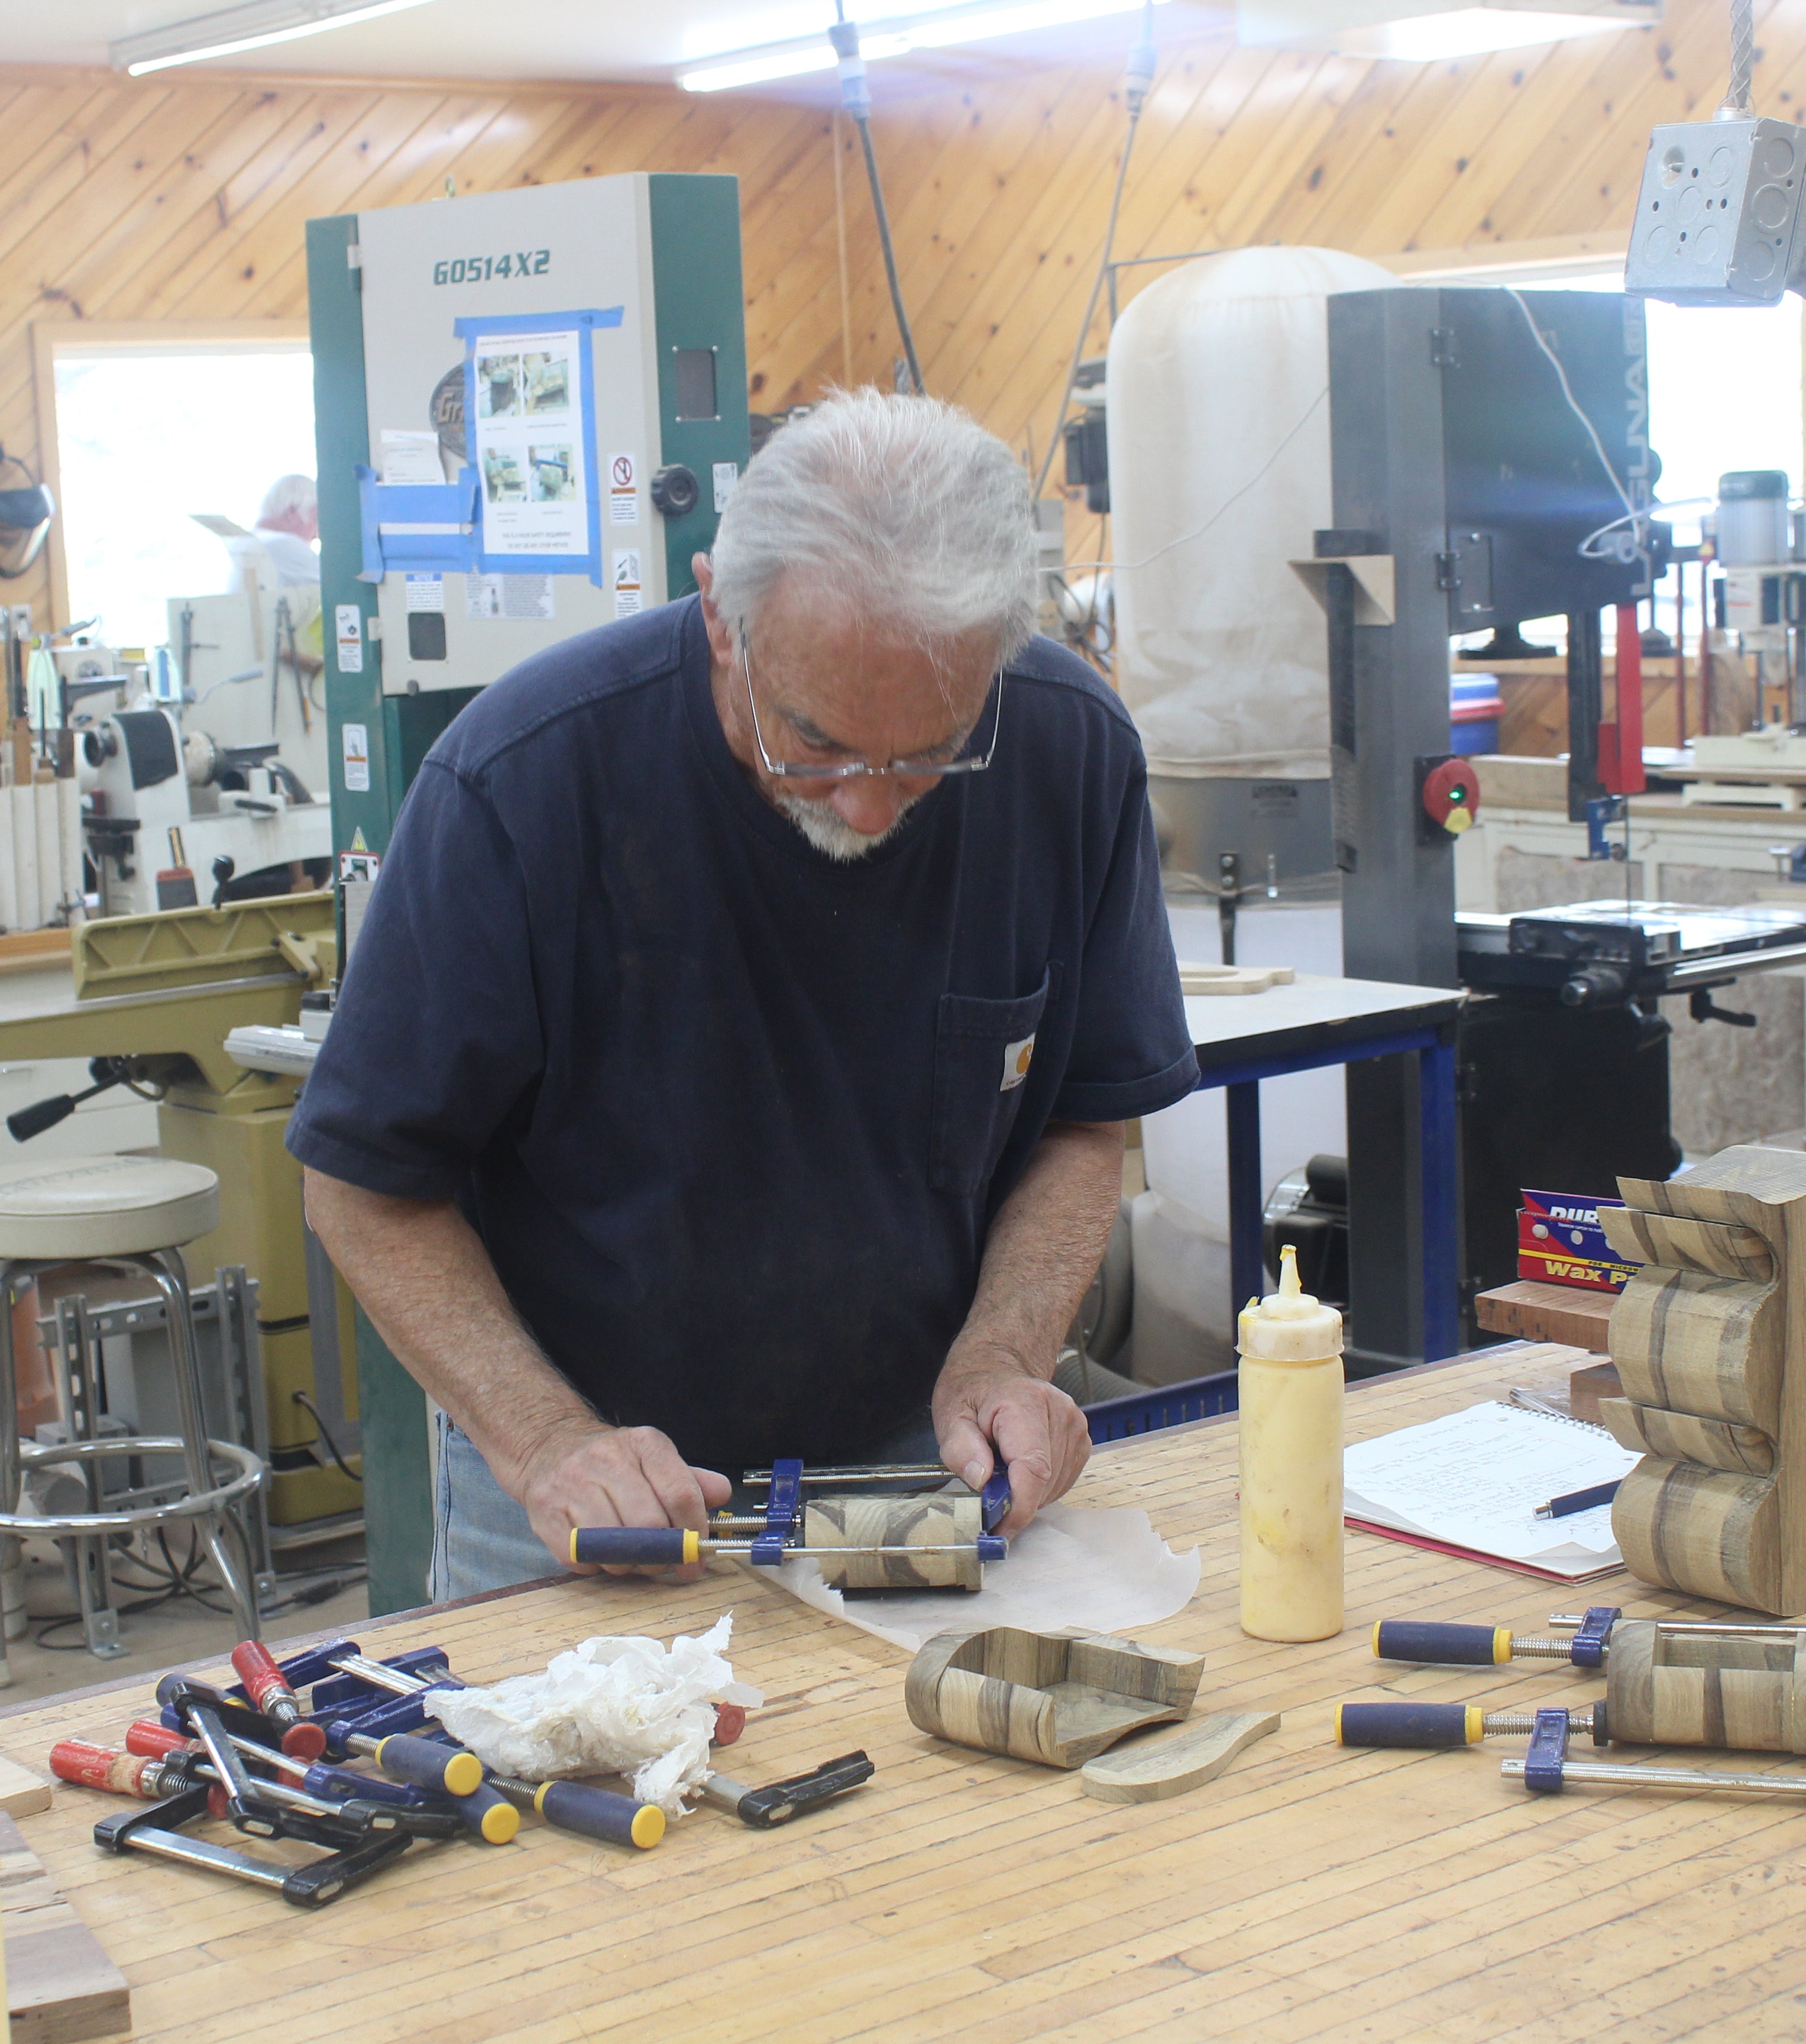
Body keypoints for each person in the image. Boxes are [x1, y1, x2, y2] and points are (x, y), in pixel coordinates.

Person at [290, 392, 1196, 1600]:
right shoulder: (522, 783)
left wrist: (1004, 1354)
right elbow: (362, 1189)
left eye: (929, 752)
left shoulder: (1070, 752)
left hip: (921, 1466)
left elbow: (1086, 1118)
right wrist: (548, 1442)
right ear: (722, 616)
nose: (870, 807)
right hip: (589, 1485)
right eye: (813, 744)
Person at [247, 473, 322, 586]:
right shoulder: (283, 544)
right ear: (292, 512)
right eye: (315, 520)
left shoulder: (246, 543)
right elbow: (337, 589)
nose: (316, 535)